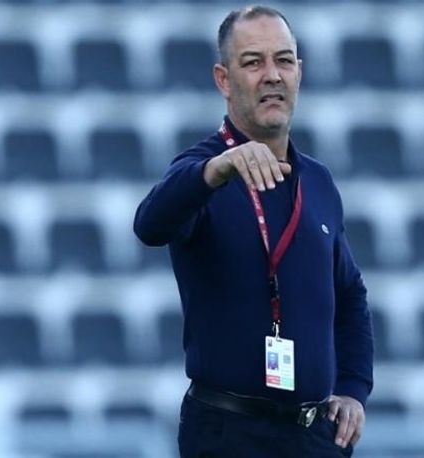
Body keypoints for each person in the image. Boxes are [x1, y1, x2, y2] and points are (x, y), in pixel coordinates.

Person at [134, 5, 373, 457]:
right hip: (229, 432)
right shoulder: (202, 172)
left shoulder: (317, 180)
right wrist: (217, 170)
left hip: (312, 435)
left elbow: (349, 294)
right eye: (253, 62)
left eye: (283, 60)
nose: (272, 75)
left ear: (299, 72)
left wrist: (353, 387)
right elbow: (150, 224)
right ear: (224, 80)